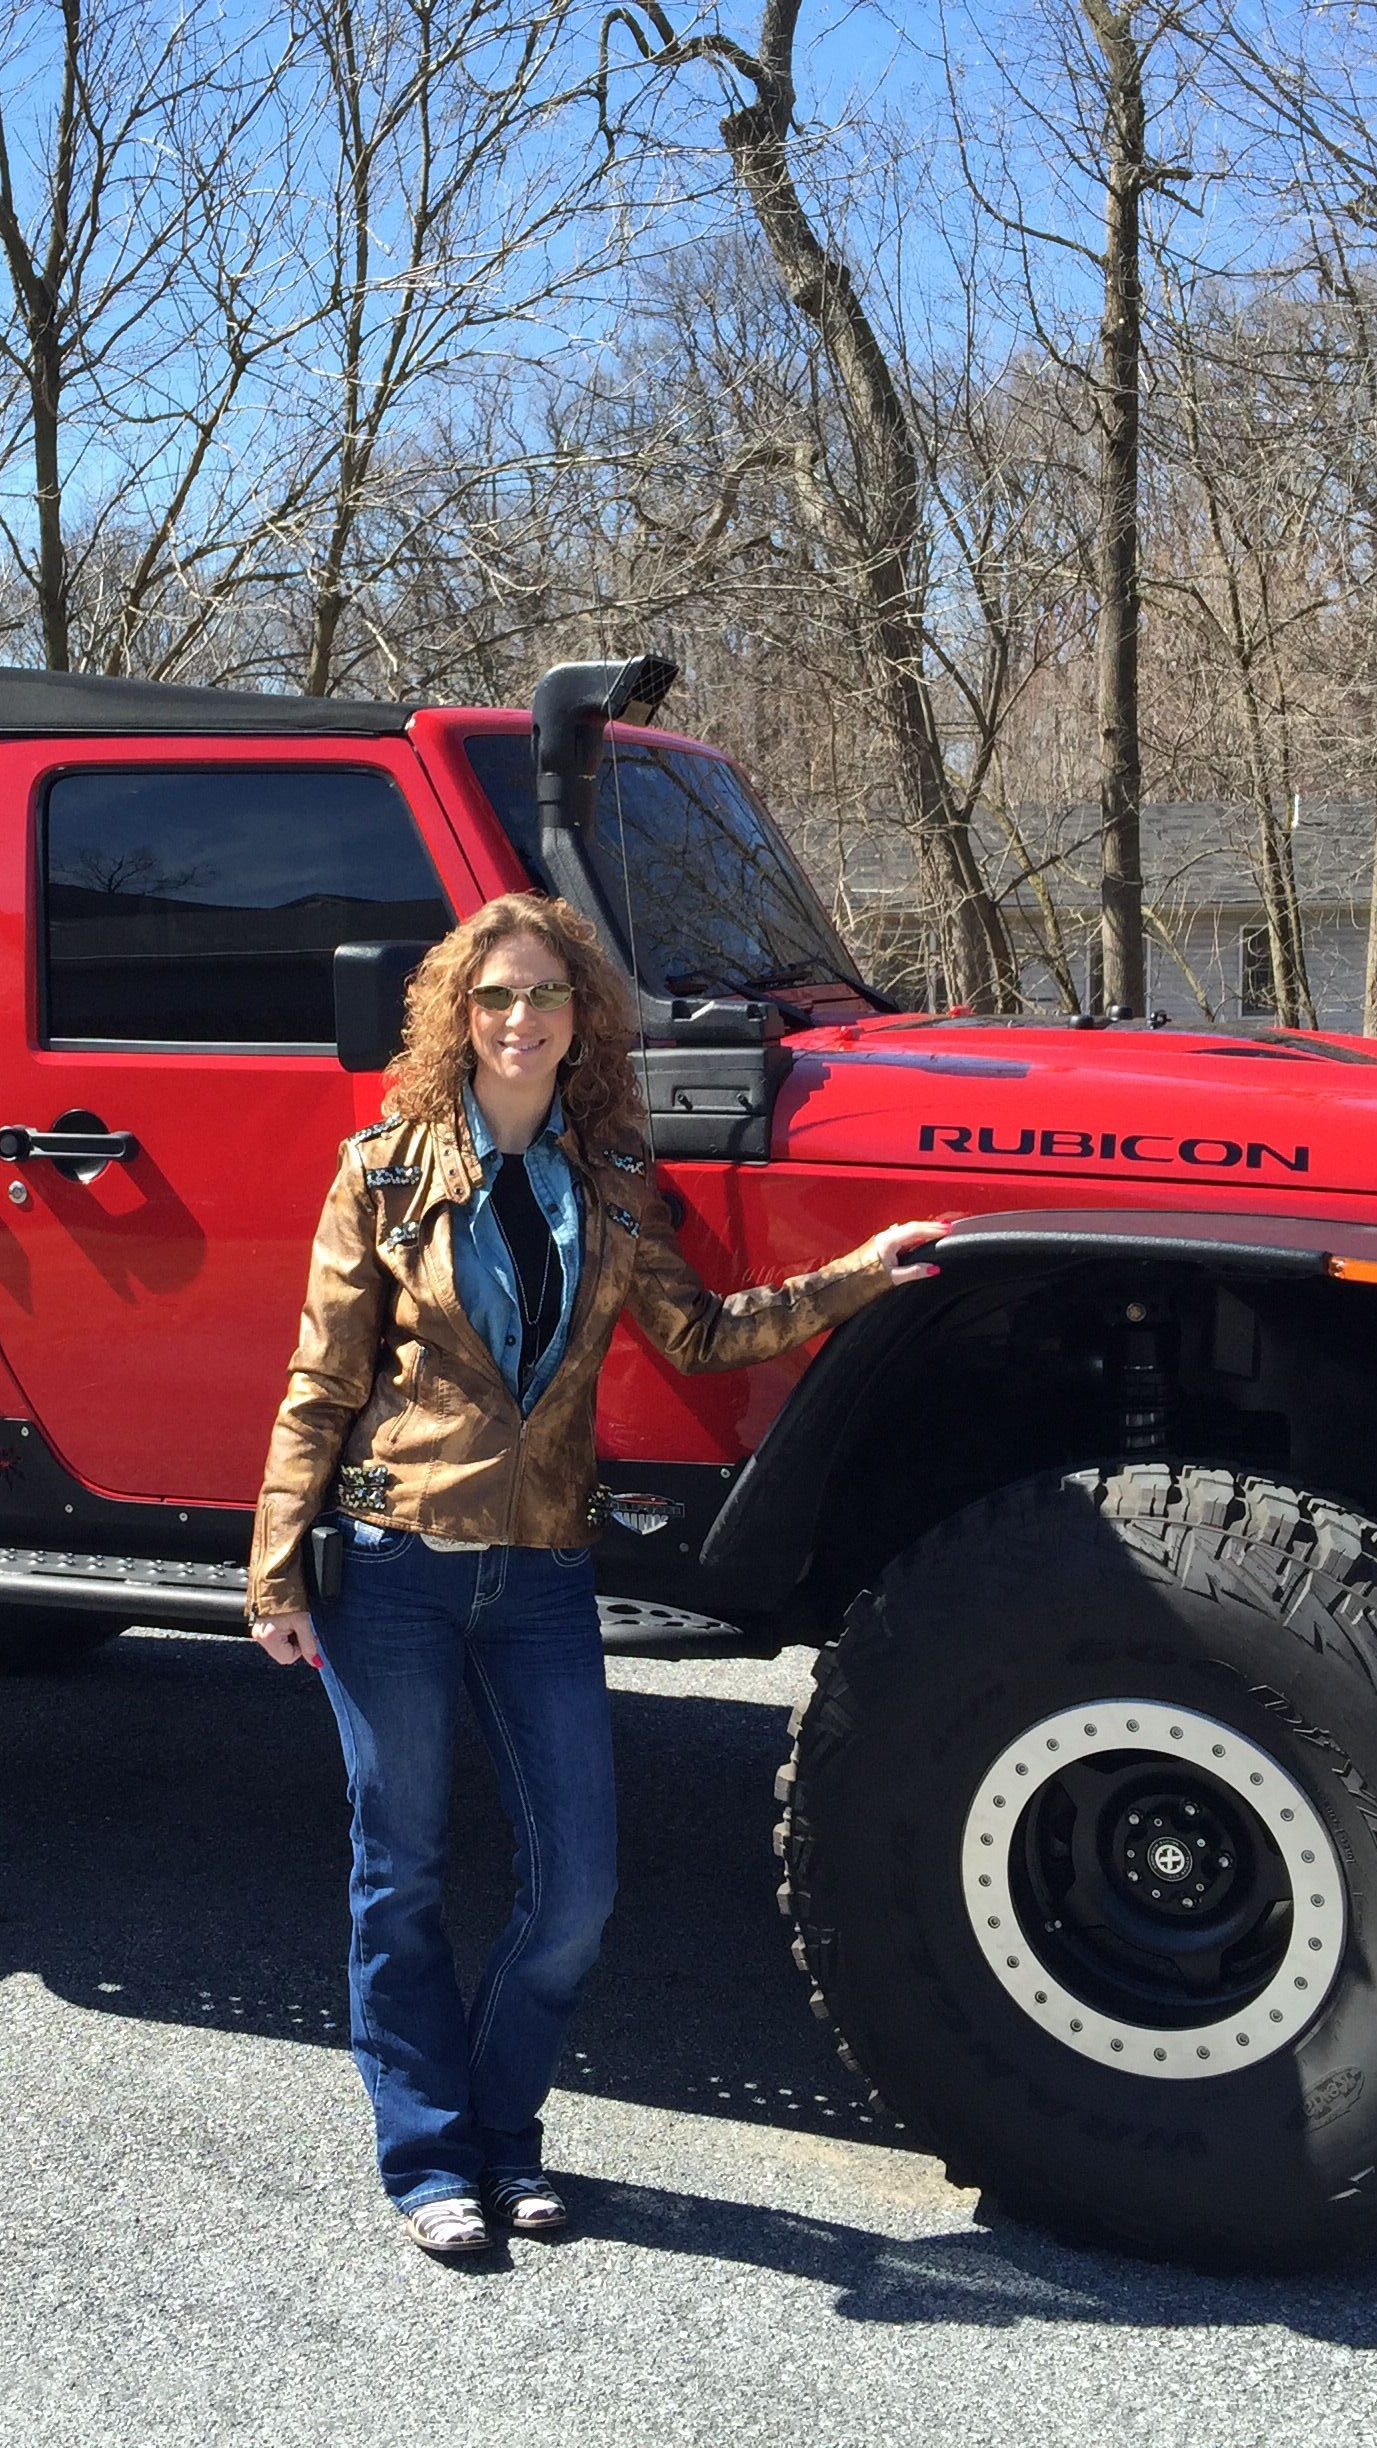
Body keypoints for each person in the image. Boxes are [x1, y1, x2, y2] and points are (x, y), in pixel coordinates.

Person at [247, 892, 945, 2257]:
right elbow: (320, 1380)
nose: (520, 1020)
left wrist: (857, 1278)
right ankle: (431, 2164)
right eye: (496, 997)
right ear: (459, 1014)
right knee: (399, 1875)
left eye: (547, 998)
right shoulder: (382, 1169)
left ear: (583, 1022)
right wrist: (277, 1566)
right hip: (393, 1564)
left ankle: (509, 2135)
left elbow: (699, 1336)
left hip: (546, 1575)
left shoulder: (613, 1175)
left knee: (576, 1892)